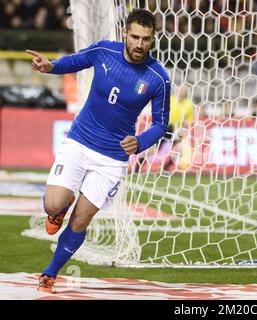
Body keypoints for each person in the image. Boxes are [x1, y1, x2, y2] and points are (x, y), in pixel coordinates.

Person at [26, 9, 171, 293]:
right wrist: (51, 66)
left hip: (112, 158)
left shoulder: (158, 78)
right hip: (80, 141)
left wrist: (141, 142)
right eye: (135, 37)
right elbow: (77, 61)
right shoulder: (104, 49)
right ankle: (57, 212)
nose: (140, 44)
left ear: (153, 40)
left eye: (146, 39)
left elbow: (161, 123)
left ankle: (50, 273)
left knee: (81, 219)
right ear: (125, 34)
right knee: (54, 204)